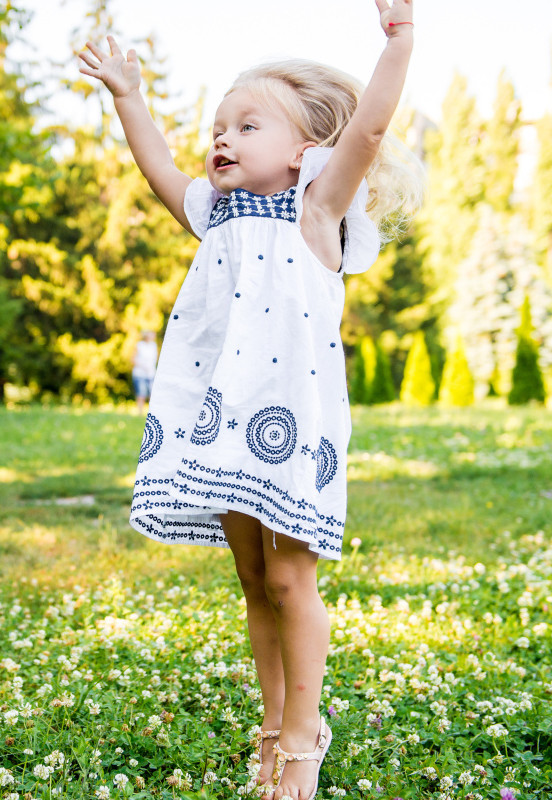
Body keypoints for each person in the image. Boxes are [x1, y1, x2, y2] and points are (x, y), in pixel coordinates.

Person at [79, 3, 422, 800]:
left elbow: (366, 131)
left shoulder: (316, 210)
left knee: (289, 580)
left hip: (288, 425)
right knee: (250, 577)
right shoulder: (212, 216)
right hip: (218, 416)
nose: (222, 140)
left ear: (305, 150)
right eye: (219, 127)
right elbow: (162, 168)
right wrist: (129, 96)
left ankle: (303, 741)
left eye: (247, 126)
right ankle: (273, 724)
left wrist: (400, 42)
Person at [131, 330, 159, 412]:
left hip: (151, 373)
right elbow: (132, 359)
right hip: (140, 373)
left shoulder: (154, 345)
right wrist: (142, 366)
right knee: (141, 394)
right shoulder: (139, 345)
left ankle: (152, 412)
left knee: (153, 395)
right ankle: (140, 412)